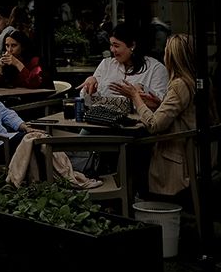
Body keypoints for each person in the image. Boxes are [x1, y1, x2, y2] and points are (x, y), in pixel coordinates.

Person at [111, 33, 198, 196]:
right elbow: (180, 111)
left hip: (175, 152)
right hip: (190, 148)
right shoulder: (195, 81)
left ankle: (124, 199)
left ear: (171, 57)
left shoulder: (179, 85)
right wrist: (158, 103)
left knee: (129, 148)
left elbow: (154, 125)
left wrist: (135, 97)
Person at [80, 23, 167, 110]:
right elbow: (87, 101)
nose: (112, 50)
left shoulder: (155, 68)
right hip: (104, 117)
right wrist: (90, 88)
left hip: (140, 118)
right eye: (111, 45)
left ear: (132, 45)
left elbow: (162, 104)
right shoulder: (106, 64)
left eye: (116, 46)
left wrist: (139, 92)